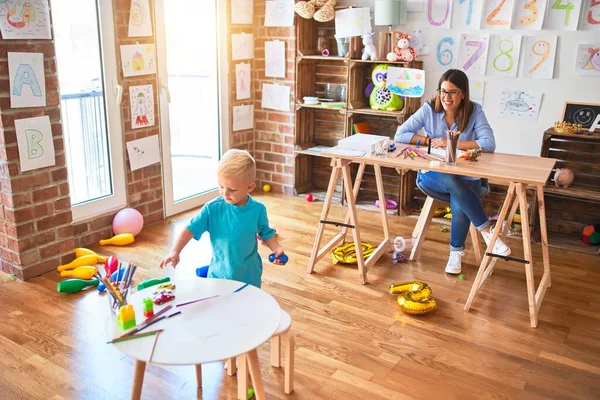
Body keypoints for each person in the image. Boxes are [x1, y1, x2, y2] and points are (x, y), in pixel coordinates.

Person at [394, 69, 510, 274]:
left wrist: (454, 144)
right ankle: (488, 232)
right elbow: (400, 134)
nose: (446, 98)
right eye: (443, 91)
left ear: (463, 94)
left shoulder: (475, 112)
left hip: (466, 174)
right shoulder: (428, 109)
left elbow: (489, 143)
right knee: (457, 184)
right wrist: (429, 141)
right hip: (432, 175)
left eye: (452, 93)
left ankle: (455, 255)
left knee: (460, 190)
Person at [159, 149, 285, 288]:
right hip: (219, 276)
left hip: (249, 276)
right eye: (221, 186)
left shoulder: (258, 210)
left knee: (247, 308)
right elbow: (190, 229)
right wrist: (175, 251)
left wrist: (276, 248)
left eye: (232, 189)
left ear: (250, 187)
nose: (225, 193)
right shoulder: (212, 209)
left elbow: (266, 233)